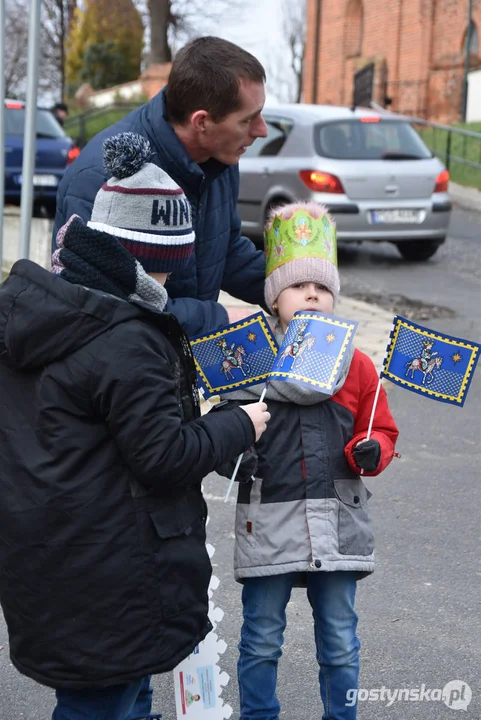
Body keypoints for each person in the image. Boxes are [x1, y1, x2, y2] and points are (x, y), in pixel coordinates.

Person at [0, 132, 270, 720]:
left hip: (53, 551)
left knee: (111, 692)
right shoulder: (126, 337)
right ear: (144, 262)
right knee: (100, 704)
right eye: (171, 274)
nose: (170, 289)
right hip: (111, 565)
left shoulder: (44, 310)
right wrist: (240, 423)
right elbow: (163, 456)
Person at [217, 201, 399, 720]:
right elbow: (219, 431)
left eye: (321, 287)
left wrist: (373, 452)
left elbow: (382, 430)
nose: (312, 294)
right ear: (275, 299)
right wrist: (232, 457)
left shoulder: (359, 366)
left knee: (340, 641)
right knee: (260, 639)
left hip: (338, 523)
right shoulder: (250, 360)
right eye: (298, 286)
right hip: (268, 518)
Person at [53, 36, 269, 337]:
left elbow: (225, 250)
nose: (263, 130)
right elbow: (102, 301)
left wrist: (289, 288)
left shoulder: (219, 159)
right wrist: (217, 318)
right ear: (202, 122)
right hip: (121, 372)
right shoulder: (101, 177)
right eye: (248, 120)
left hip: (177, 362)